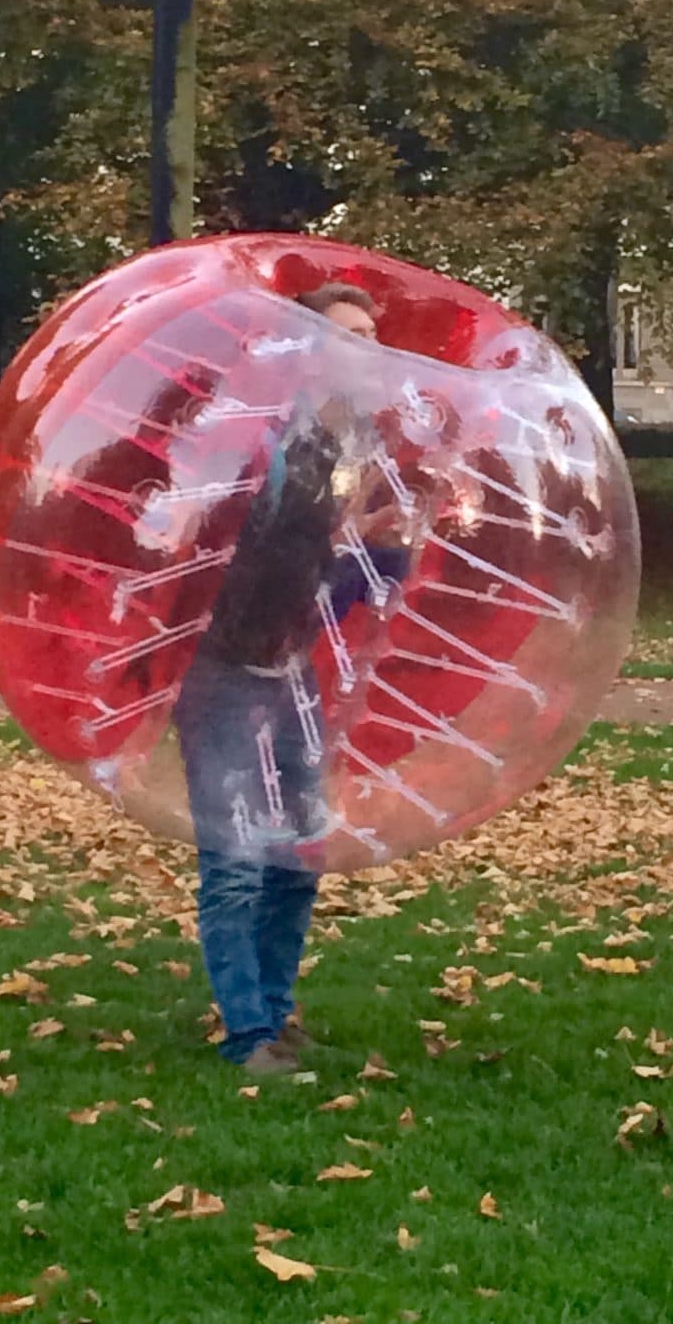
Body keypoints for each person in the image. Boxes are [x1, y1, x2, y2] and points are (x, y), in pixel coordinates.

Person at [173, 283, 408, 1074]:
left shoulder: (352, 444)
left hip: (289, 672)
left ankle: (275, 1013)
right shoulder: (260, 437)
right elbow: (222, 549)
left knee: (300, 854)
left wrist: (371, 546)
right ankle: (247, 1035)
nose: (370, 346)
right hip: (221, 671)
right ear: (308, 346)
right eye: (351, 333)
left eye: (373, 332)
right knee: (237, 862)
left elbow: (318, 582)